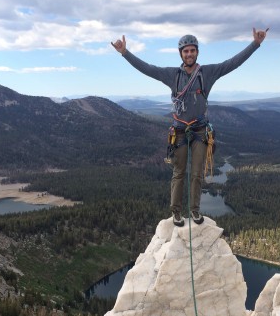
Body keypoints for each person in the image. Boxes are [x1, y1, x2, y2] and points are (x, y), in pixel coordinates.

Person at [111, 28, 268, 227]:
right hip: (179, 131)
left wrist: (255, 44)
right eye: (186, 51)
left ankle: (194, 211)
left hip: (200, 131)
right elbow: (148, 68)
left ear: (197, 52)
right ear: (181, 54)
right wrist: (125, 53)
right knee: (178, 173)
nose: (189, 54)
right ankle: (176, 213)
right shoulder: (172, 75)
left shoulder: (207, 73)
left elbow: (232, 63)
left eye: (192, 50)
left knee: (196, 174)